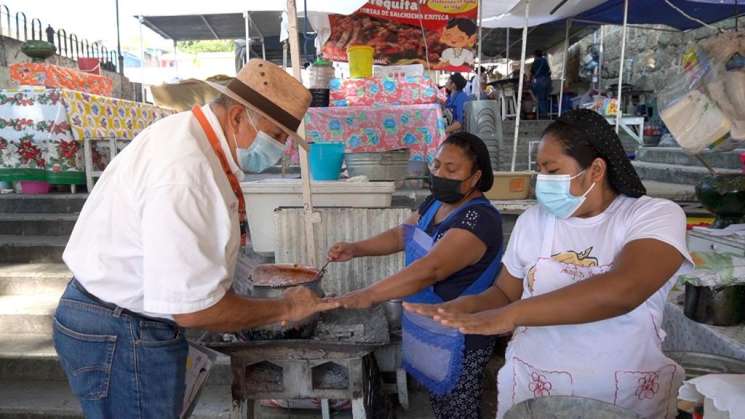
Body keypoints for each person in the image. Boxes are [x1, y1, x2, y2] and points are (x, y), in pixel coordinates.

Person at [53, 59, 338, 419]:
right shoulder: (186, 172)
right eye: (277, 136)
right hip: (121, 331)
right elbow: (195, 310)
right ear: (237, 117)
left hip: (116, 320)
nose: (280, 148)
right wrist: (287, 308)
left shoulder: (189, 134)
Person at [406, 110, 693, 418]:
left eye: (552, 171)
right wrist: (465, 306)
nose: (542, 181)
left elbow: (625, 289)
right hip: (535, 386)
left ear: (595, 170)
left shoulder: (652, 216)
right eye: (539, 170)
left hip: (622, 395)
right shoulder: (534, 220)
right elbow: (504, 292)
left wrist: (510, 316)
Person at [327, 132, 503, 419]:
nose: (438, 173)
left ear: (474, 177)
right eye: (436, 165)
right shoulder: (434, 203)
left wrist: (369, 295)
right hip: (430, 328)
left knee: (459, 409)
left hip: (462, 335)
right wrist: (355, 248)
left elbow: (430, 269)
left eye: (451, 169)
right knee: (439, 403)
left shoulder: (479, 219)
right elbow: (402, 235)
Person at [530, 50, 552, 119]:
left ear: (535, 55)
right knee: (545, 98)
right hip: (548, 82)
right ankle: (544, 113)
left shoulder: (536, 62)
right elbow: (549, 72)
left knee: (540, 99)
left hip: (539, 82)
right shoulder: (545, 61)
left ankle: (543, 115)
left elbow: (532, 73)